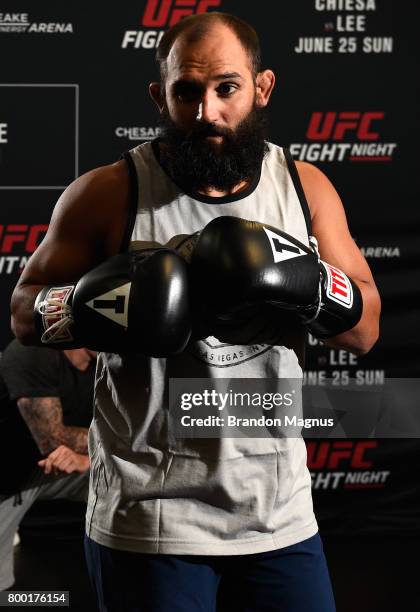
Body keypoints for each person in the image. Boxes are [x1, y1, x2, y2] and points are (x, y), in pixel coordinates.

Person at [10, 11, 380, 612]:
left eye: (226, 88)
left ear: (262, 88)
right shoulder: (110, 192)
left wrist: (304, 283)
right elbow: (26, 313)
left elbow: (366, 329)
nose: (207, 111)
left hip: (278, 516)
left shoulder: (303, 188)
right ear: (162, 95)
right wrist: (101, 305)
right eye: (188, 91)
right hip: (148, 518)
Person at [0, 341, 96, 591]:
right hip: (9, 479)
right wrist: (118, 442)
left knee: (131, 476)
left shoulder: (112, 363)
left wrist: (89, 460)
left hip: (62, 471)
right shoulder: (32, 354)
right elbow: (53, 440)